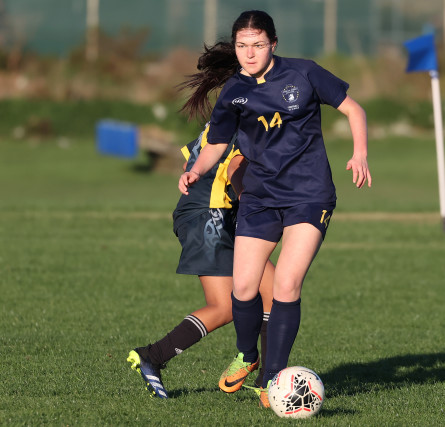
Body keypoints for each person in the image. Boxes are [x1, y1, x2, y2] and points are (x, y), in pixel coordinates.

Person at [178, 10, 371, 407]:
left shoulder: (304, 73)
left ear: (273, 44)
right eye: (242, 46)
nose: (249, 53)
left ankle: (271, 379)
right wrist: (196, 170)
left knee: (285, 284)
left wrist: (360, 153)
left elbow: (354, 110)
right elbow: (217, 142)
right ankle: (247, 355)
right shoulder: (234, 91)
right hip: (260, 196)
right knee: (244, 287)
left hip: (309, 195)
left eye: (258, 45)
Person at [128, 123, 274, 398]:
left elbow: (189, 162)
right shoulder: (254, 118)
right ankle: (152, 356)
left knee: (273, 290)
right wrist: (251, 208)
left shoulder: (226, 116)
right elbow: (235, 167)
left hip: (214, 213)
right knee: (224, 306)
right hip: (209, 217)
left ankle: (267, 379)